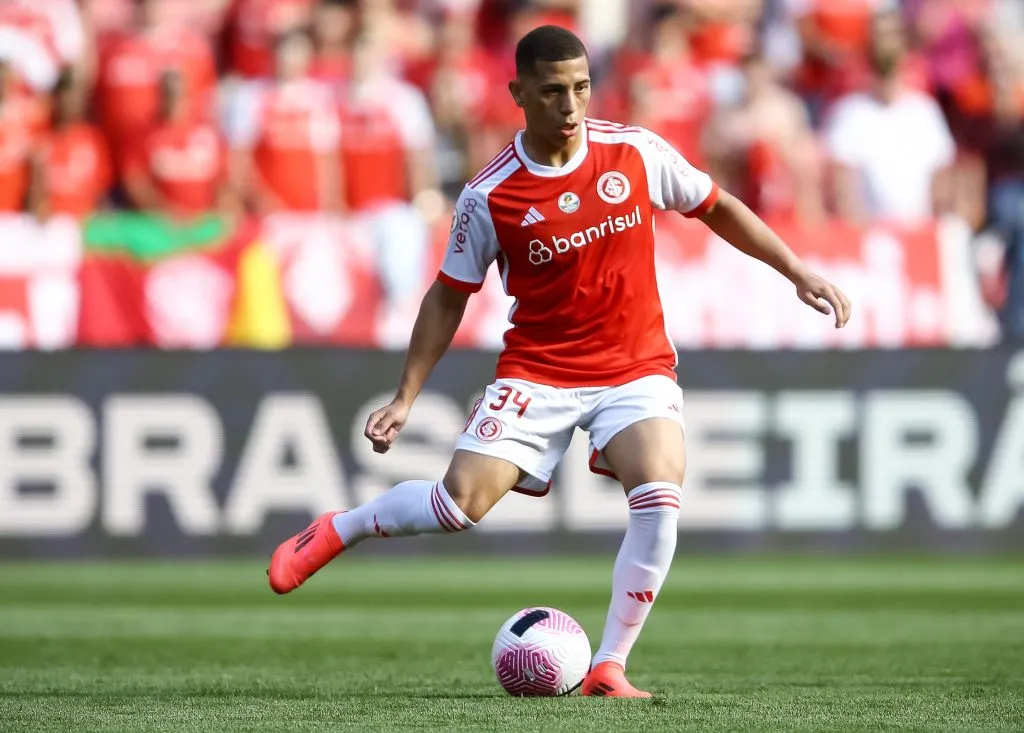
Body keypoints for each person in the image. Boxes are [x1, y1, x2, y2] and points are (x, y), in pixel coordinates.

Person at [267, 25, 851, 698]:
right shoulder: (490, 195)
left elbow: (716, 208)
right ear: (518, 93)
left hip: (635, 367)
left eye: (580, 88)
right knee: (458, 506)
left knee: (660, 491)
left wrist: (797, 271)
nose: (570, 106)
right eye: (552, 92)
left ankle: (609, 665)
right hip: (538, 371)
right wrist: (405, 397)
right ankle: (340, 527)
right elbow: (447, 296)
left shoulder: (633, 152)